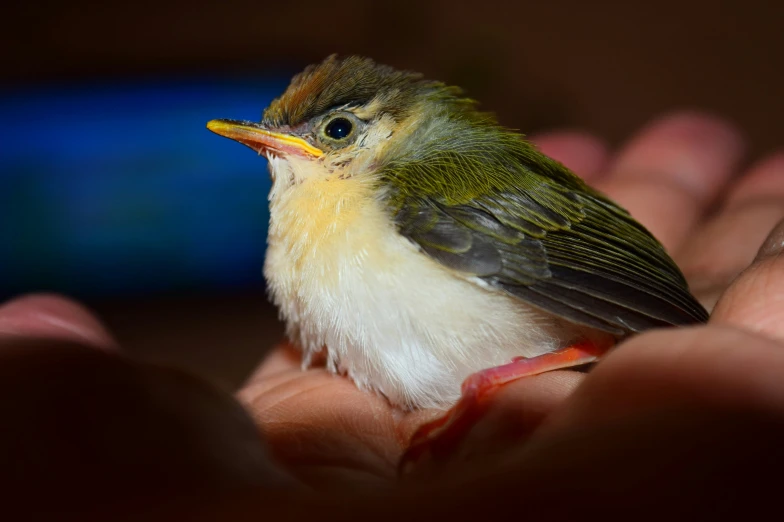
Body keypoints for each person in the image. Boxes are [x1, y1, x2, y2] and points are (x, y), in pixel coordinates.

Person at [2, 112, 783, 521]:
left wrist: (510, 375)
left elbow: (587, 275)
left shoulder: (419, 183)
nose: (299, 149)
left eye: (336, 131)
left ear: (394, 130)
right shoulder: (309, 229)